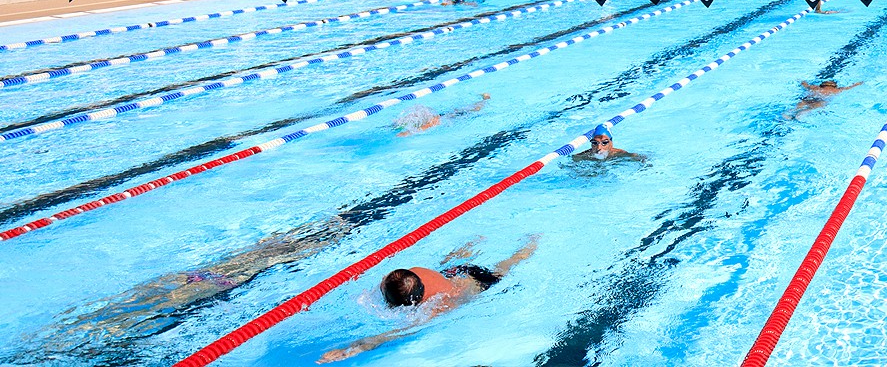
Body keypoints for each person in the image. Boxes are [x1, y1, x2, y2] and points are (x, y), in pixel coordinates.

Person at [37, 217, 352, 352]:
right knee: (138, 308)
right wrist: (336, 234)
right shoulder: (266, 258)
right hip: (211, 282)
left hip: (196, 275)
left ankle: (68, 329)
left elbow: (273, 242)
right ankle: (81, 331)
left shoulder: (254, 251)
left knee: (127, 304)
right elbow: (296, 249)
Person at [321, 237, 540, 361]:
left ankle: (526, 250)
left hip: (476, 283)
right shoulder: (414, 273)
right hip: (454, 273)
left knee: (504, 269)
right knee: (451, 264)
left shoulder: (436, 308)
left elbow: (389, 336)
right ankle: (472, 246)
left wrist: (349, 351)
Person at [395, 95, 489, 136]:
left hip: (454, 117)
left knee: (475, 109)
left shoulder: (431, 123)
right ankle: (485, 99)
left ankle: (486, 98)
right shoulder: (430, 121)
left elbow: (418, 130)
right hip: (447, 116)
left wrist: (406, 133)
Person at [789, 78, 863, 118]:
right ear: (834, 85)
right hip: (820, 101)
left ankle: (789, 115)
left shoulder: (814, 87)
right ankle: (801, 114)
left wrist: (800, 80)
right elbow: (849, 88)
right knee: (812, 108)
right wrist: (858, 84)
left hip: (807, 99)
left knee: (798, 107)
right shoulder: (836, 90)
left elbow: (805, 84)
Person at [572, 126, 645, 162]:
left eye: (604, 143)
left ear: (611, 143)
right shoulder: (582, 157)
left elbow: (641, 158)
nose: (598, 148)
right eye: (594, 143)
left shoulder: (619, 154)